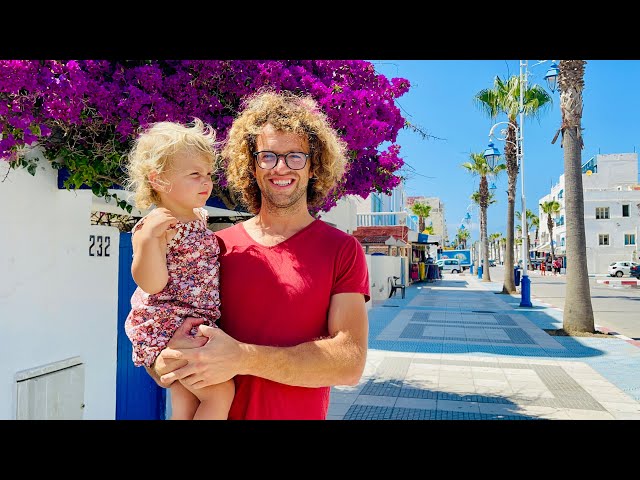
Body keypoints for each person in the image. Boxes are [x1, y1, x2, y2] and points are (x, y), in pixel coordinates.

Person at [147, 90, 371, 420]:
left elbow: (349, 362)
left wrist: (244, 357)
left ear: (314, 167)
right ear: (251, 166)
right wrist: (160, 362)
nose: (281, 167)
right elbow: (161, 320)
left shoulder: (341, 250)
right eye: (268, 156)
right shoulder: (212, 247)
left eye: (296, 156)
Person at [124, 119, 235, 420]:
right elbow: (151, 282)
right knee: (221, 392)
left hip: (187, 321)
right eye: (194, 174)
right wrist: (147, 240)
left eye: (209, 174)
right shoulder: (158, 223)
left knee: (187, 405)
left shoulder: (196, 218)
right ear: (158, 180)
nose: (206, 182)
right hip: (171, 323)